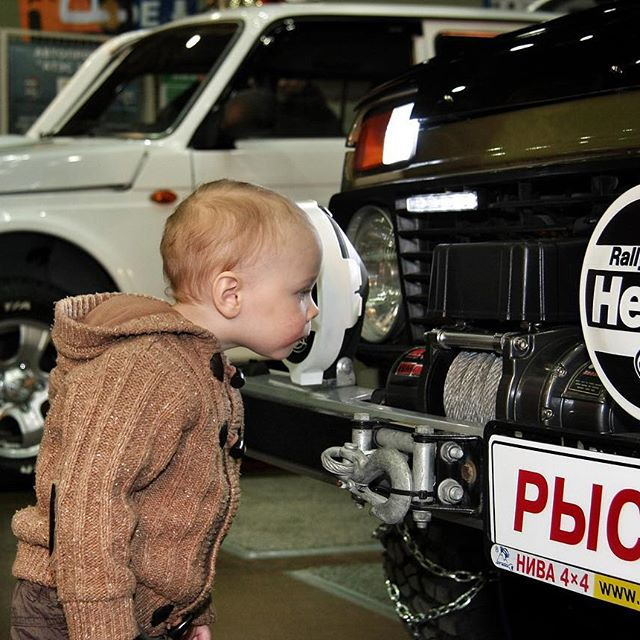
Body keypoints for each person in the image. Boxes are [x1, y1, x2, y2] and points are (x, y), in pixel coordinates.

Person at [9, 179, 322, 640]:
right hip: (75, 609)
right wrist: (105, 630)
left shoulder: (199, 369)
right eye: (302, 292)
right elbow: (87, 509)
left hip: (136, 606)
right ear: (230, 293)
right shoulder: (146, 372)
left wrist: (187, 614)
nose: (312, 311)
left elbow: (175, 512)